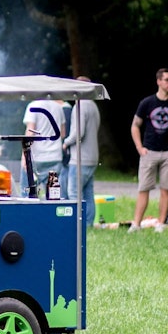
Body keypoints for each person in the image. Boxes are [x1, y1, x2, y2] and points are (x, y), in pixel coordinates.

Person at [130, 68, 168, 232]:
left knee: (166, 189)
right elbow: (135, 126)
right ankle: (136, 224)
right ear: (158, 81)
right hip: (148, 151)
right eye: (167, 80)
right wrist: (139, 147)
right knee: (143, 188)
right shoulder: (147, 103)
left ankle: (161, 223)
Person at [64, 79, 101, 226]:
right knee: (88, 193)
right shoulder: (93, 105)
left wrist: (66, 142)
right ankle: (89, 223)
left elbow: (78, 133)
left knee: (74, 193)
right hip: (93, 156)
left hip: (80, 158)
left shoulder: (79, 106)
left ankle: (76, 225)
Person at [21, 98, 66, 197]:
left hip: (36, 158)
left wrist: (25, 156)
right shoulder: (58, 107)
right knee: (53, 195)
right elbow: (62, 133)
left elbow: (30, 132)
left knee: (28, 194)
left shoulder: (33, 105)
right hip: (55, 157)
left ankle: (29, 212)